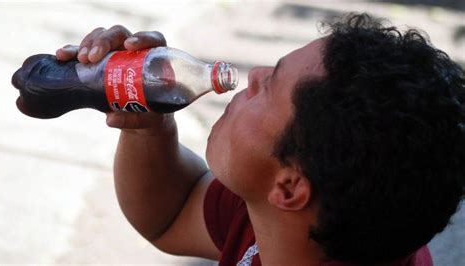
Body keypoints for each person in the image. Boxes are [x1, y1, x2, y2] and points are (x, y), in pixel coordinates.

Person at [56, 14, 465, 265]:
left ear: (290, 186)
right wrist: (148, 126)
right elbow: (171, 215)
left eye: (270, 87)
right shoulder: (305, 222)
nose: (253, 76)